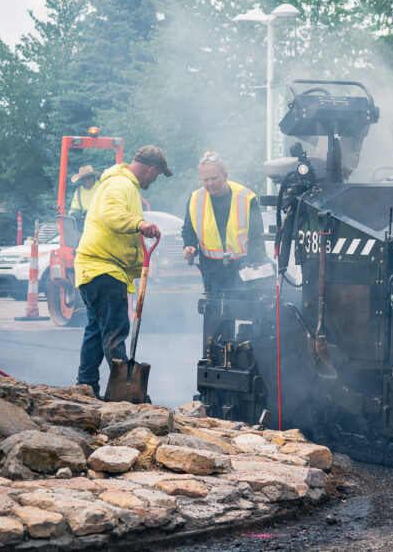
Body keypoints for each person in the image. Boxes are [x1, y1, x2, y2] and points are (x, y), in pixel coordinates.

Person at [74, 145, 172, 398]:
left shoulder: (120, 183)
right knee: (115, 330)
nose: (156, 179)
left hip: (94, 269)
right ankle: (127, 393)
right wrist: (140, 223)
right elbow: (110, 214)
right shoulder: (121, 184)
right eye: (158, 174)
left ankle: (85, 387)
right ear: (151, 169)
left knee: (96, 331)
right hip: (103, 268)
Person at [182, 152, 266, 295]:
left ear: (225, 176)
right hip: (211, 269)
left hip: (243, 267)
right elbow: (188, 230)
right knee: (216, 314)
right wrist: (189, 246)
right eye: (205, 179)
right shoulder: (195, 199)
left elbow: (257, 235)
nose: (210, 183)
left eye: (214, 178)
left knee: (247, 310)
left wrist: (254, 263)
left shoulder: (246, 197)